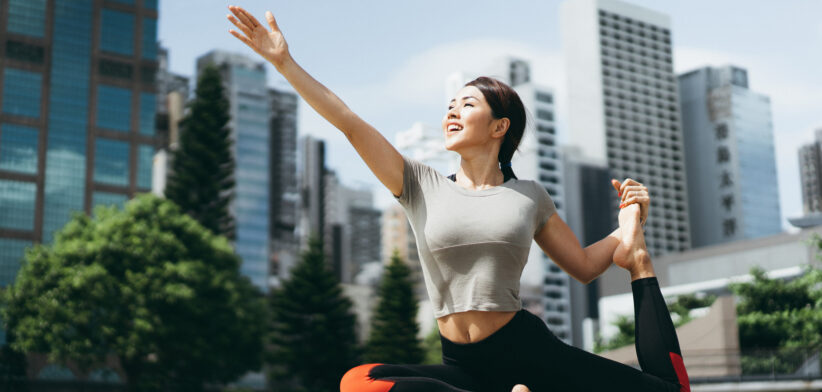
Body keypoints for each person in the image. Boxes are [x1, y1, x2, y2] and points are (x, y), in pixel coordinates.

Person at [226, 5, 690, 392]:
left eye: (467, 104)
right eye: (450, 103)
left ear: (499, 126)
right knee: (358, 382)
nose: (452, 110)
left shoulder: (529, 196)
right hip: (461, 368)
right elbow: (349, 121)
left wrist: (627, 230)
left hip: (528, 353)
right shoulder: (419, 183)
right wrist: (284, 63)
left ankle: (640, 261)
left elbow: (585, 268)